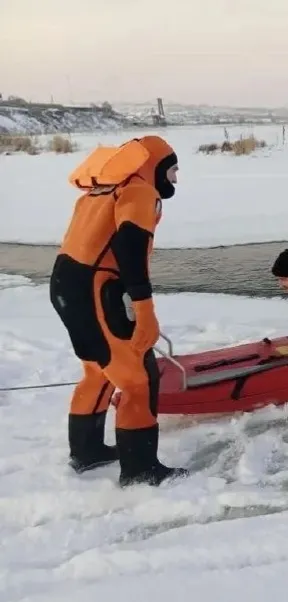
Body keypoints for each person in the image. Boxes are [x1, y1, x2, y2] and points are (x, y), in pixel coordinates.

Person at [49, 135, 189, 488]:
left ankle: (87, 451)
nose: (174, 179)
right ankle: (141, 470)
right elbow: (130, 247)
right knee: (137, 379)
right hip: (98, 290)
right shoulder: (139, 192)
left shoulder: (94, 195)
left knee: (98, 369)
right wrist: (144, 308)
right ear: (153, 166)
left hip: (67, 287)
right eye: (172, 170)